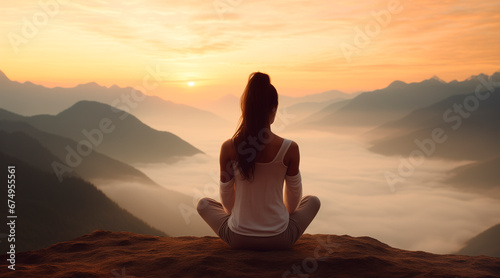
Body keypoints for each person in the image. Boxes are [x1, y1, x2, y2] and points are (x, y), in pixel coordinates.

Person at [197, 72, 320, 250]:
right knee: (313, 201)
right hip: (280, 239)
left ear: (245, 109)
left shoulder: (229, 148)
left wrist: (244, 217)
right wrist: (273, 219)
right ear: (273, 109)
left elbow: (228, 205)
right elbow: (292, 206)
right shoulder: (290, 149)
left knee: (203, 204)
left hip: (238, 239)